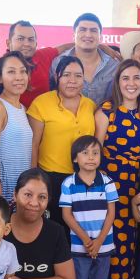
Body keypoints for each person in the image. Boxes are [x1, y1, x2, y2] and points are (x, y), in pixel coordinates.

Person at [94, 59, 140, 279]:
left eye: (136, 78)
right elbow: (95, 152)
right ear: (117, 82)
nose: (131, 83)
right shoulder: (106, 112)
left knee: (125, 244)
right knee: (103, 241)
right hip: (106, 187)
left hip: (132, 190)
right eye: (126, 78)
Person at [57, 136, 119, 279]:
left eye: (95, 153)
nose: (91, 157)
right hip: (79, 247)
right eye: (85, 153)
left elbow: (111, 214)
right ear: (75, 158)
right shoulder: (69, 183)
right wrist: (86, 240)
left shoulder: (108, 182)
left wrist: (99, 241)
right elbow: (66, 215)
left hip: (104, 246)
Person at [27, 56, 96, 228]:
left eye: (78, 75)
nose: (72, 80)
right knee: (54, 227)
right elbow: (33, 144)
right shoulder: (42, 103)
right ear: (57, 76)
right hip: (51, 178)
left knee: (80, 228)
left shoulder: (90, 105)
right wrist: (33, 177)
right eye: (66, 75)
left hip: (83, 178)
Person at [0, 51, 33, 203]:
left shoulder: (23, 109)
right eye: (11, 72)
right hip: (1, 188)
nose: (19, 77)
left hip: (20, 188)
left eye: (23, 71)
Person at [50, 13, 119, 107]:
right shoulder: (57, 63)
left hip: (105, 116)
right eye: (82, 30)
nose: (88, 34)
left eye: (93, 30)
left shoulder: (114, 65)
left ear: (100, 37)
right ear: (74, 35)